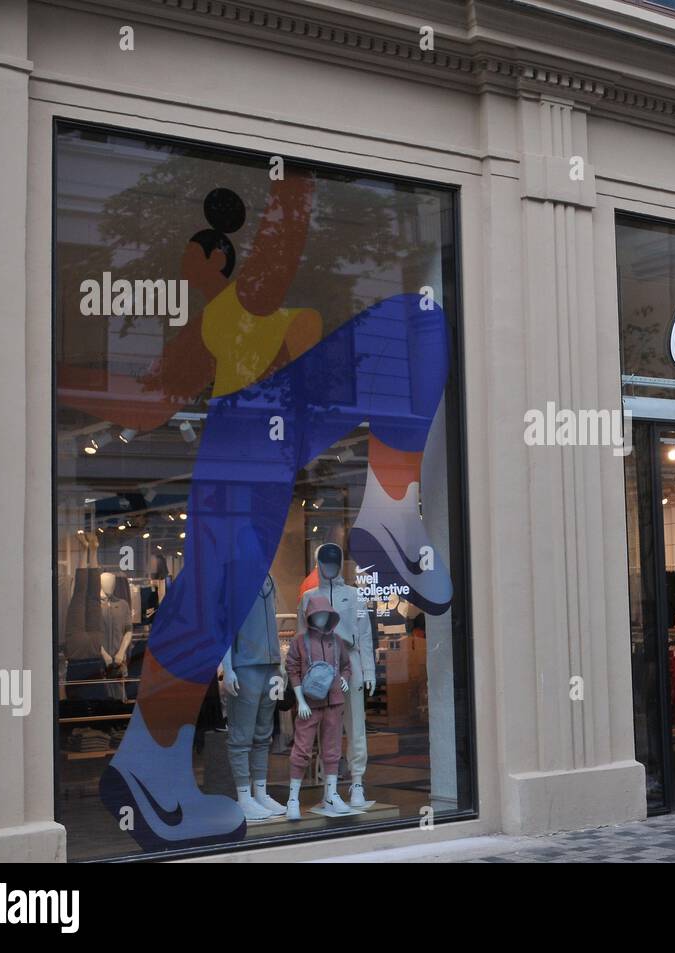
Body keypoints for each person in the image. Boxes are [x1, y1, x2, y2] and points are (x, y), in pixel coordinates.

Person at [89, 175, 453, 851]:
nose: (221, 262)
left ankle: (390, 511)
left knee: (416, 322)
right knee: (213, 592)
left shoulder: (229, 312)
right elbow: (159, 395)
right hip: (251, 432)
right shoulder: (226, 309)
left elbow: (158, 395)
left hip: (269, 420)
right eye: (210, 256)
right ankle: (146, 764)